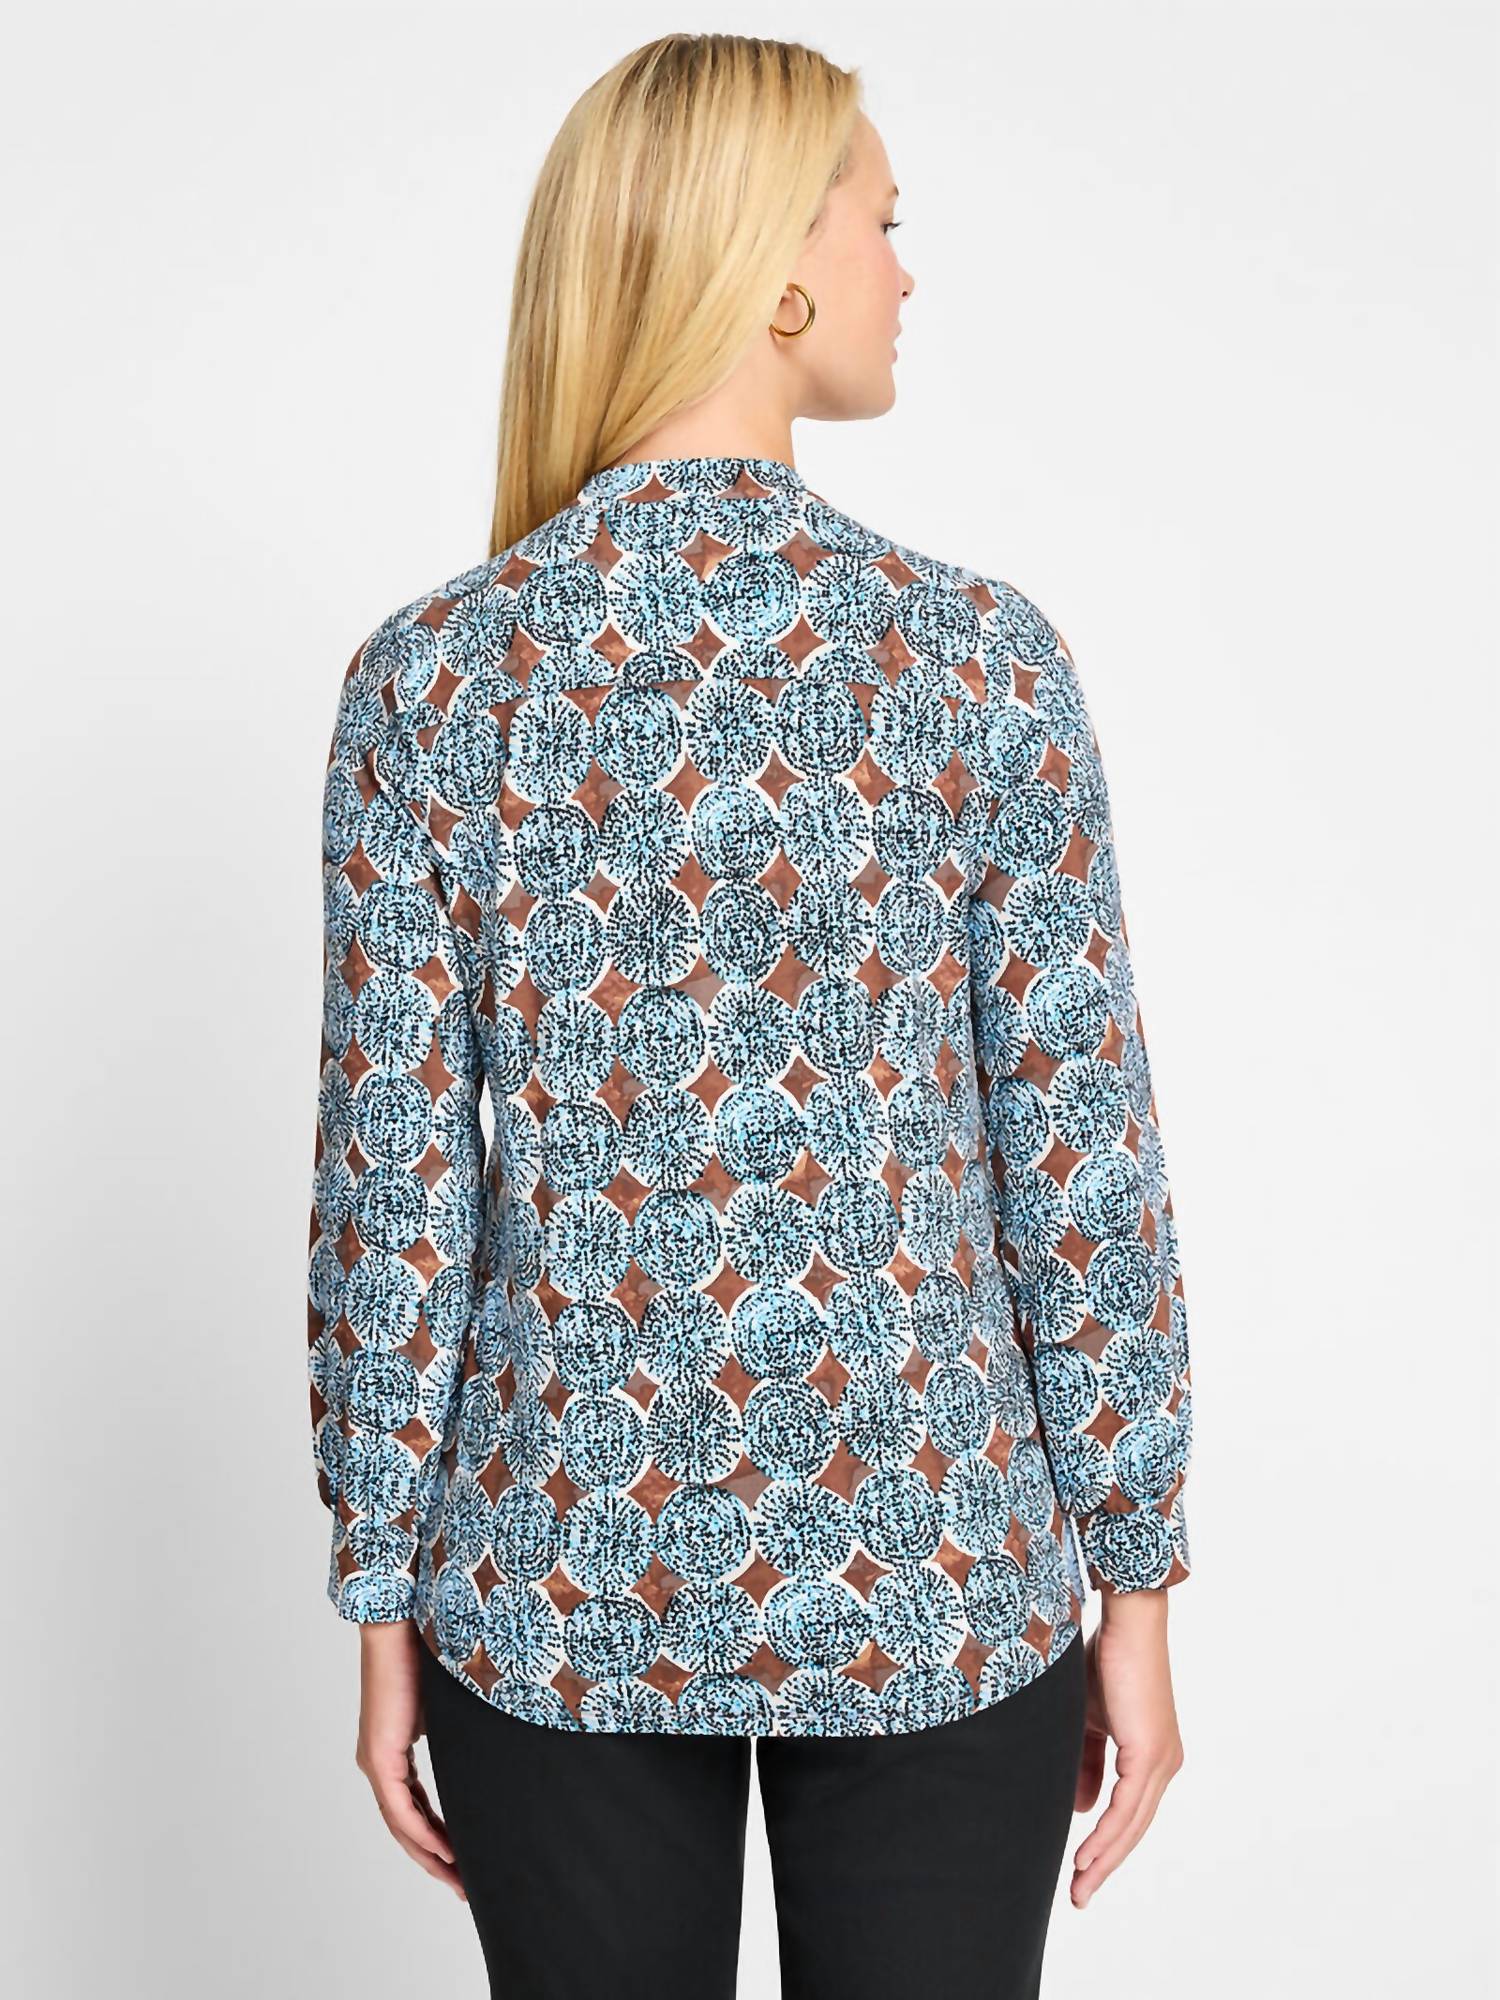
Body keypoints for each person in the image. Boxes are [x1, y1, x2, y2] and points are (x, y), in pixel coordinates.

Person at [306, 31, 1193, 2000]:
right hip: (939, 1573)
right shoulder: (980, 663)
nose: (905, 271)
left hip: (556, 1582)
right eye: (882, 222)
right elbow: (1080, 1165)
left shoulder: (433, 684)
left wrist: (378, 1591)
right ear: (773, 272)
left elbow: (395, 1202)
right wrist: (1136, 1571)